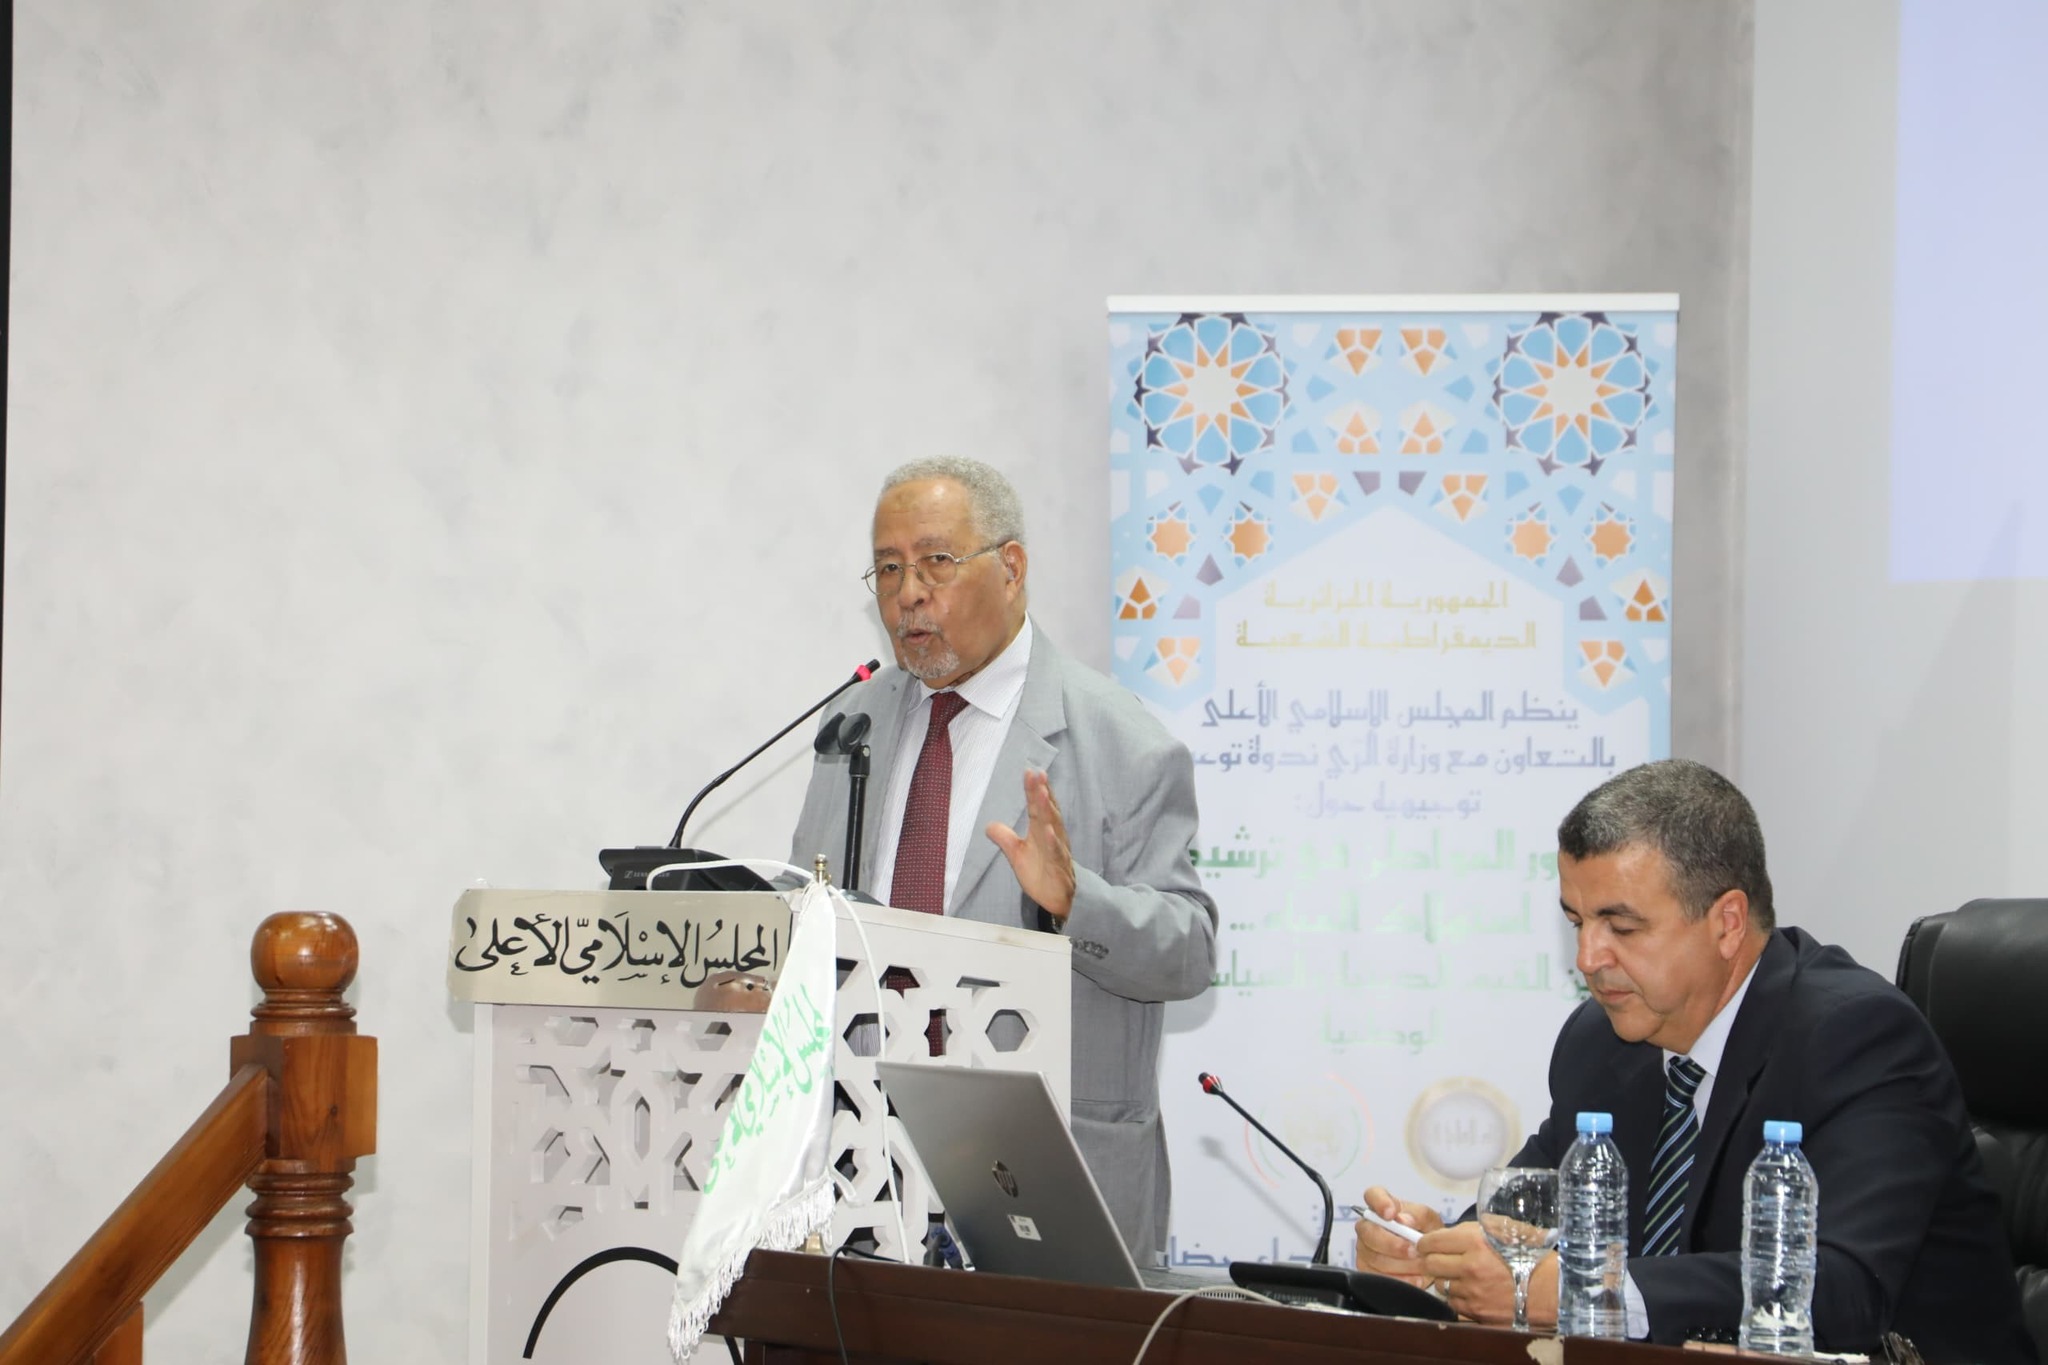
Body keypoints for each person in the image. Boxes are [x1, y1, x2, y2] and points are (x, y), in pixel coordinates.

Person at [1356, 759, 2033, 1361]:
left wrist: (1585, 1287)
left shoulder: (1858, 1037)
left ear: (1727, 922)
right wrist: (1433, 1256)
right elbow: (1531, 1216)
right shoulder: (1600, 1042)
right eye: (1577, 923)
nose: (1588, 958)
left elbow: (1843, 1291)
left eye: (1621, 927)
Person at [790, 457, 1218, 1262]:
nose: (908, 594)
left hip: (1048, 1187)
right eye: (889, 569)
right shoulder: (852, 726)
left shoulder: (1121, 739)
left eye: (935, 562)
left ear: (1011, 568)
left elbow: (1190, 951)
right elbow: (812, 913)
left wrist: (1076, 901)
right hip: (864, 1177)